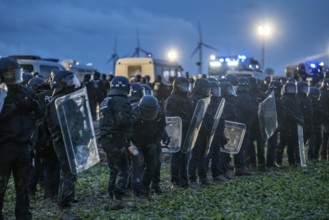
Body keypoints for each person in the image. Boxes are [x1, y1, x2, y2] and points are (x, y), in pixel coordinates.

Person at [0, 57, 42, 220]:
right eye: (8, 74)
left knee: (23, 187)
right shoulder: (1, 95)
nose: (12, 77)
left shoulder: (26, 92)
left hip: (23, 147)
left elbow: (40, 114)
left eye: (14, 73)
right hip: (3, 148)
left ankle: (23, 215)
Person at [46, 70, 82, 219]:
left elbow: (78, 118)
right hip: (63, 143)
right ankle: (64, 209)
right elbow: (62, 125)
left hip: (70, 141)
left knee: (71, 173)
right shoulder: (57, 101)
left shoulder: (66, 99)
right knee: (68, 174)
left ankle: (68, 200)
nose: (71, 82)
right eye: (68, 80)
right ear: (60, 83)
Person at [99, 76, 138, 209]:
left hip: (106, 139)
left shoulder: (106, 100)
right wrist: (134, 116)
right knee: (123, 169)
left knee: (113, 169)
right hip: (116, 139)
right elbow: (123, 122)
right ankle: (118, 198)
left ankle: (112, 196)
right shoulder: (121, 100)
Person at [131, 96, 167, 198]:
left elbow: (161, 130)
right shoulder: (134, 113)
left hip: (151, 142)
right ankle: (136, 191)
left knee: (152, 166)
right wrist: (131, 145)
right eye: (146, 112)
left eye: (151, 112)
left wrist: (155, 142)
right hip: (136, 142)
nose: (148, 115)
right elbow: (127, 130)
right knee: (137, 165)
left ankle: (144, 189)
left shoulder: (160, 114)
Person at [165, 77, 193, 188]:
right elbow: (171, 118)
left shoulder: (188, 99)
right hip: (177, 132)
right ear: (177, 86)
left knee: (185, 157)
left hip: (187, 132)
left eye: (188, 86)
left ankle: (184, 180)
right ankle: (175, 181)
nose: (187, 88)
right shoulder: (172, 99)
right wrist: (184, 122)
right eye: (184, 86)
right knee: (176, 157)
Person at [187, 78, 212, 187]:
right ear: (200, 88)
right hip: (196, 132)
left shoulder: (204, 99)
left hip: (204, 132)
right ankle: (192, 179)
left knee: (204, 155)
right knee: (195, 156)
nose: (208, 90)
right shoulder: (193, 100)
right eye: (206, 88)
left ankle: (203, 177)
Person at [276, 81, 304, 167]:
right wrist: (297, 119)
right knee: (283, 143)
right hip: (286, 124)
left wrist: (300, 118)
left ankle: (292, 161)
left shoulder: (296, 98)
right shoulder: (284, 98)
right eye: (290, 89)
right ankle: (278, 161)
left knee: (292, 144)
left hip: (293, 124)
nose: (292, 91)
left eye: (293, 89)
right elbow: (287, 112)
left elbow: (298, 110)